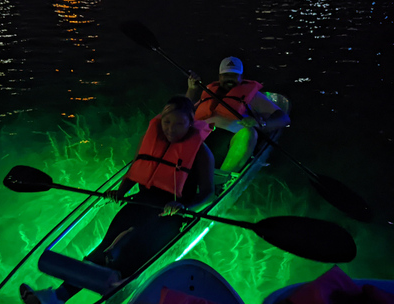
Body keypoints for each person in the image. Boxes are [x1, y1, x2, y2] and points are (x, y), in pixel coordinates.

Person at [20, 95, 215, 304]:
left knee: (125, 251)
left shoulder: (201, 153)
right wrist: (120, 192)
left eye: (178, 124)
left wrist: (184, 206)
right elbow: (137, 169)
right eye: (167, 122)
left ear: (190, 123)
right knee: (105, 248)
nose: (170, 129)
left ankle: (72, 295)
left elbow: (208, 192)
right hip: (141, 202)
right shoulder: (155, 140)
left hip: (170, 214)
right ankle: (57, 296)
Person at [186, 56, 290, 173]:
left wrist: (261, 123)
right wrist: (191, 90)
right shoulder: (209, 92)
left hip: (230, 141)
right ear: (220, 77)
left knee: (248, 132)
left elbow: (284, 118)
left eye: (234, 75)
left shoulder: (253, 96)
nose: (230, 79)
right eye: (226, 75)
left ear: (241, 77)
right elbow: (183, 111)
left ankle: (222, 179)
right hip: (202, 138)